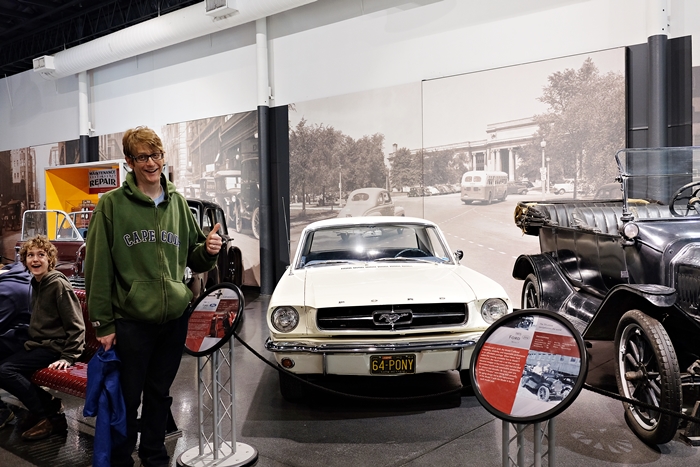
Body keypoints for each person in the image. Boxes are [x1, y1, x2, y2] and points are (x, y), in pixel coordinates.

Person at [85, 126, 221, 467]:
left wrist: (209, 249)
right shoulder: (111, 206)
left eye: (156, 155)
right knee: (127, 398)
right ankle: (121, 459)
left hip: (173, 320)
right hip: (131, 322)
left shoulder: (177, 203)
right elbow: (98, 268)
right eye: (143, 156)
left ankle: (155, 455)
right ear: (130, 161)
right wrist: (102, 323)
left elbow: (194, 255)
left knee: (159, 395)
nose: (151, 163)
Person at [0, 236, 86, 440]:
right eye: (30, 255)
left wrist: (68, 356)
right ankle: (47, 405)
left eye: (41, 255)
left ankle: (49, 417)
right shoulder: (37, 282)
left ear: (50, 259)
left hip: (54, 347)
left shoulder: (57, 285)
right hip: (39, 344)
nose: (35, 259)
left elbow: (77, 324)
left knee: (5, 370)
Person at [0, 262, 32, 429]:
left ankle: (1, 412)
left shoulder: (8, 289)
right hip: (13, 336)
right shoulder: (10, 278)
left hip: (21, 341)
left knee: (4, 369)